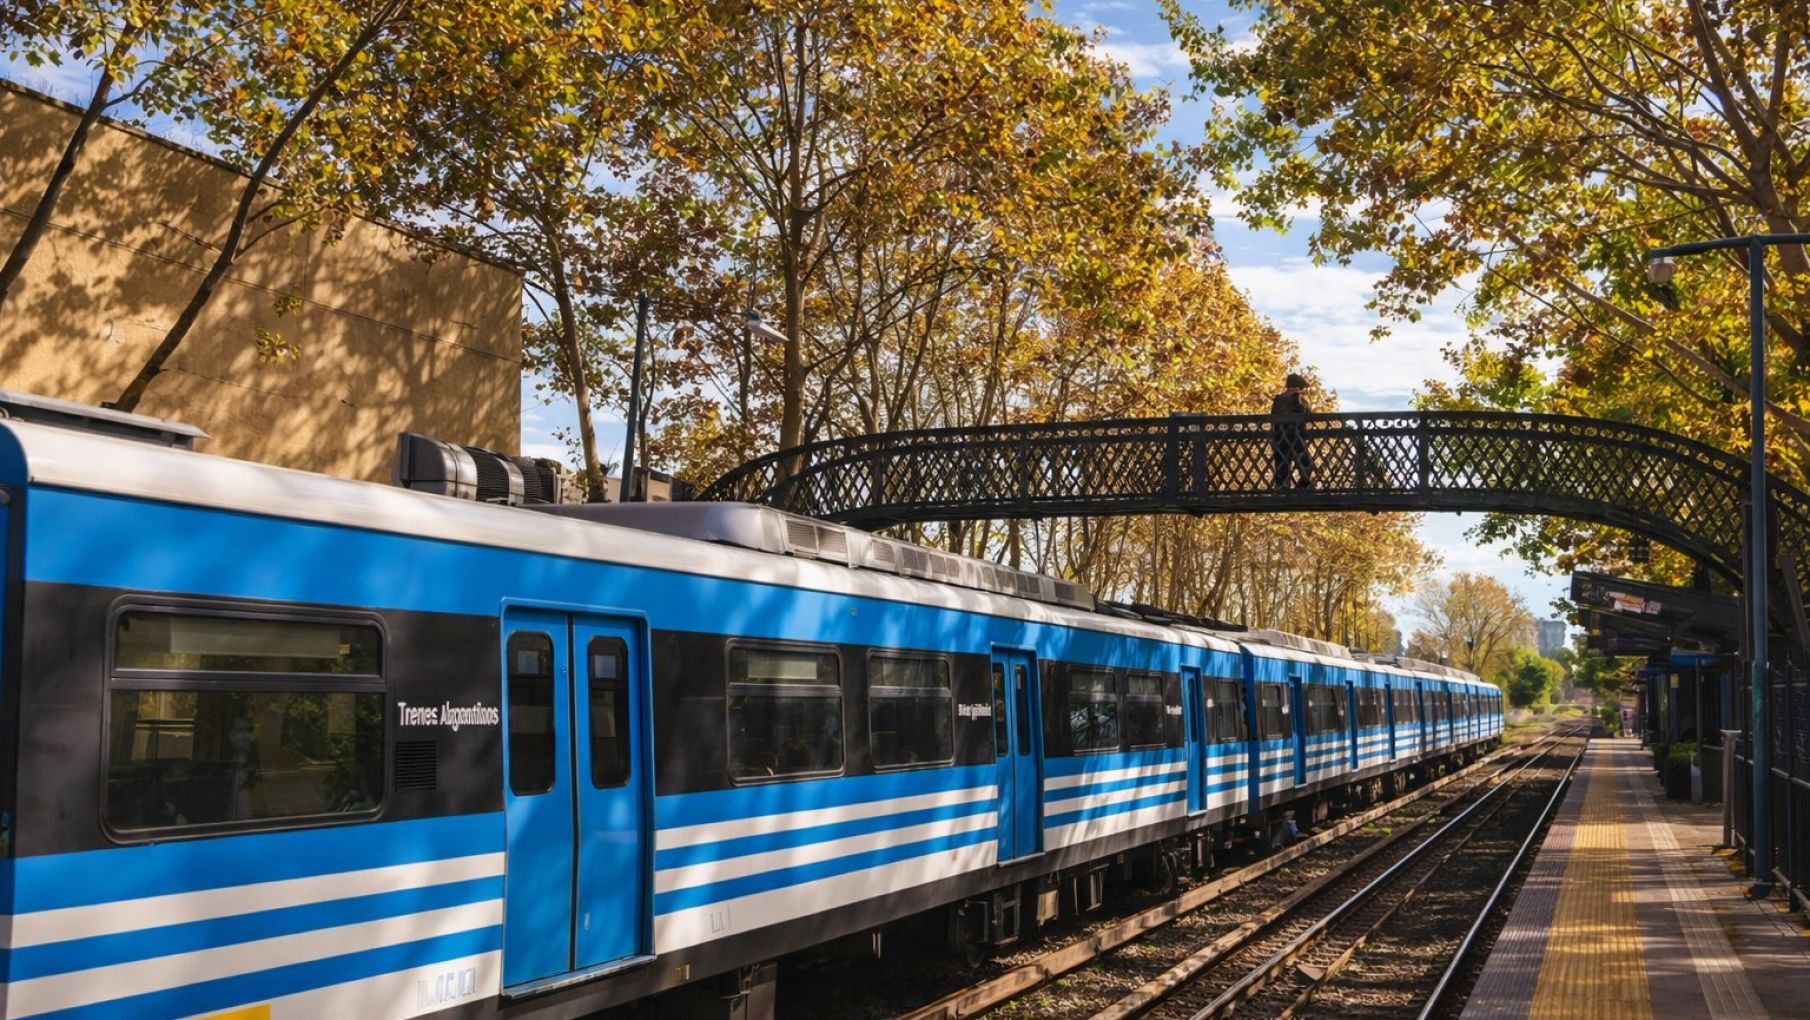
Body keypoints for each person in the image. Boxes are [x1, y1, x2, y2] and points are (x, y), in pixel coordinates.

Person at [1270, 372, 1314, 488]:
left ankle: (1284, 491)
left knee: (1282, 468)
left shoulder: (1279, 399)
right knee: (1306, 465)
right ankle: (1299, 489)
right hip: (1294, 438)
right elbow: (1307, 415)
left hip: (1281, 439)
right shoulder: (1291, 399)